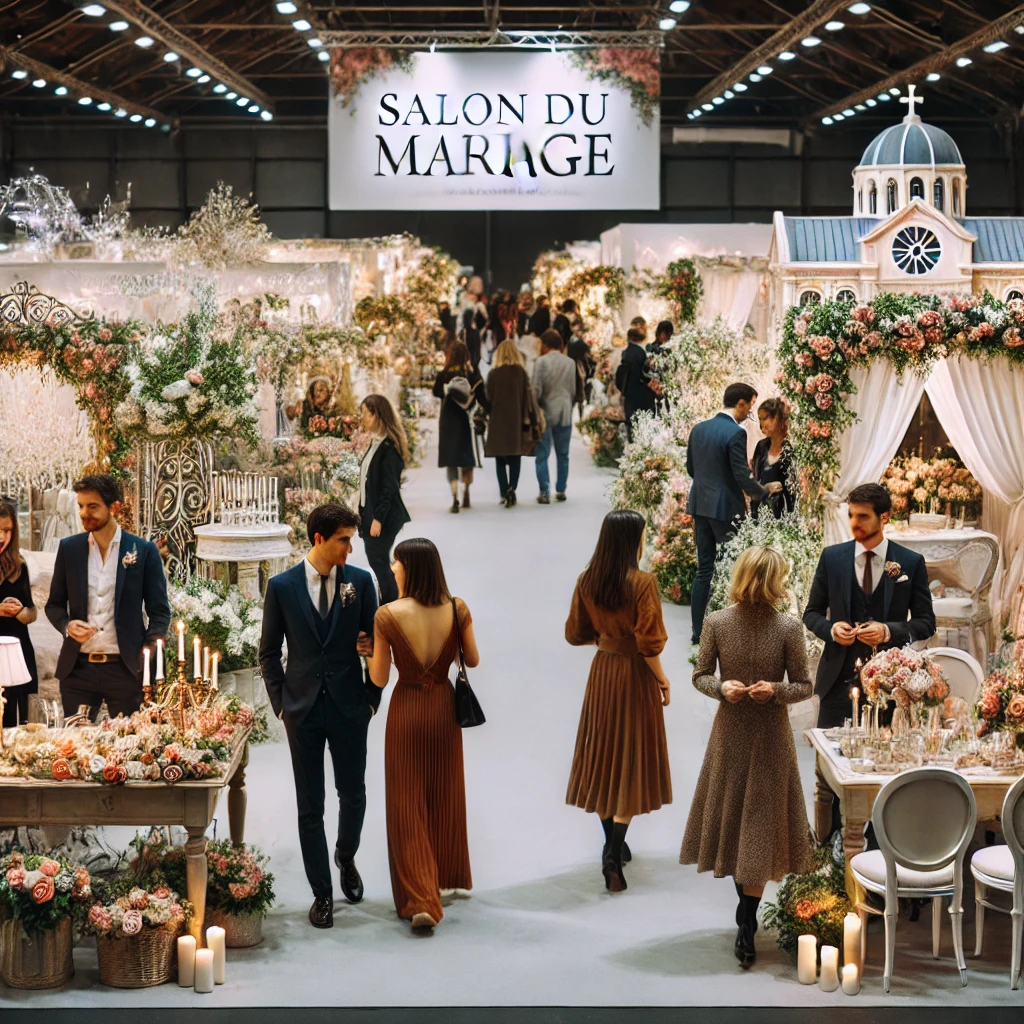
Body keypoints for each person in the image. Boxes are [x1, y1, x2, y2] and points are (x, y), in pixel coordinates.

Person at [681, 546, 813, 968]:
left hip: (760, 733)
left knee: (749, 820)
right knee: (745, 818)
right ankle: (747, 916)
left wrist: (771, 690)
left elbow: (803, 686)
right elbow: (702, 675)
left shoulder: (783, 627)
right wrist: (724, 688)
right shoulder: (727, 623)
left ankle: (746, 918)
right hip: (744, 732)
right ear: (772, 581)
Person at [259, 502, 379, 929]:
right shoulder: (283, 587)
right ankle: (322, 893)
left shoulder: (362, 583)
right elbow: (268, 653)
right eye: (345, 539)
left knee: (354, 795)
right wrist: (280, 704)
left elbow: (375, 646)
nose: (351, 547)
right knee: (310, 807)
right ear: (319, 539)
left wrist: (371, 698)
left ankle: (345, 856)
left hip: (350, 707)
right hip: (302, 711)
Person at [368, 538, 479, 933]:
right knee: (442, 792)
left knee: (406, 802)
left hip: (407, 709)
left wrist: (367, 654)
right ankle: (444, 874)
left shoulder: (386, 616)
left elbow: (379, 678)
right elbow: (474, 659)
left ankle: (421, 899)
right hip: (444, 709)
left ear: (409, 568)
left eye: (396, 564)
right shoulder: (457, 607)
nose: (393, 569)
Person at [565, 509, 672, 894]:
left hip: (603, 672)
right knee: (629, 759)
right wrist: (662, 680)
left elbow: (575, 632)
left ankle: (612, 844)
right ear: (634, 540)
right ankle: (613, 848)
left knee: (602, 755)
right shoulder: (642, 583)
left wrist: (606, 638)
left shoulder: (587, 580)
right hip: (634, 675)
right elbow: (649, 642)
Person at [804, 482, 935, 731]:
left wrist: (888, 631)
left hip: (892, 684)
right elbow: (811, 614)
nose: (855, 523)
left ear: (884, 517)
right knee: (829, 762)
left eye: (863, 516)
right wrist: (832, 630)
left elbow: (926, 623)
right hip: (837, 681)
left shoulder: (910, 562)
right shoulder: (831, 558)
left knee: (885, 761)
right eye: (852, 515)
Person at [45, 475, 169, 721]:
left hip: (125, 670)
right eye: (80, 506)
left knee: (128, 750)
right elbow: (54, 605)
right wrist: (67, 626)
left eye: (92, 506)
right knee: (75, 749)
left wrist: (146, 655)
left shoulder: (143, 551)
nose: (83, 513)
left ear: (114, 507)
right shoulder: (69, 549)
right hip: (78, 670)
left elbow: (160, 612)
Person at [686, 383, 778, 646]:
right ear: (740, 403)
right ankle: (728, 631)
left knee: (704, 569)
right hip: (726, 509)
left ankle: (697, 632)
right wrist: (763, 492)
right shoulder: (735, 433)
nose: (751, 410)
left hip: (700, 506)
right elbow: (741, 475)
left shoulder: (699, 428)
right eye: (750, 404)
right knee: (732, 569)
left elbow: (691, 468)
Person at [357, 395, 411, 605]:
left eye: (365, 414)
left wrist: (378, 518)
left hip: (384, 516)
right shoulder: (376, 443)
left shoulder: (389, 449)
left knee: (378, 561)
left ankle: (392, 607)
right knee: (378, 561)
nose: (362, 418)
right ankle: (392, 605)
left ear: (376, 415)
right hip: (372, 512)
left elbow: (389, 489)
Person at [482, 340, 534, 507]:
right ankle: (513, 488)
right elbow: (527, 397)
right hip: (516, 420)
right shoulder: (521, 372)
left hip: (497, 421)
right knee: (514, 457)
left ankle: (504, 491)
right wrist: (527, 417)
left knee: (500, 459)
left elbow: (487, 398)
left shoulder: (493, 374)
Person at [433, 342, 483, 514]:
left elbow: (436, 392)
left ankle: (454, 496)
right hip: (466, 420)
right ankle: (467, 491)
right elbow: (480, 391)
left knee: (451, 460)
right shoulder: (470, 374)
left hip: (448, 421)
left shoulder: (444, 374)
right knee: (466, 458)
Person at [0, 501, 38, 726]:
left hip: (17, 651)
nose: (2, 536)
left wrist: (20, 611)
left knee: (17, 725)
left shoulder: (18, 565)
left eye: (7, 530)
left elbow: (32, 612)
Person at [532, 328, 577, 505]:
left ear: (544, 344)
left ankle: (544, 491)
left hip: (545, 411)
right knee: (563, 453)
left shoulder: (541, 362)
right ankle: (561, 489)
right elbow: (572, 389)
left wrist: (536, 407)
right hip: (565, 410)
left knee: (542, 453)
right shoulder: (570, 363)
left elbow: (536, 388)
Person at [750, 398, 796, 520]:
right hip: (760, 514)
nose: (762, 424)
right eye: (760, 419)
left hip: (784, 515)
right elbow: (756, 479)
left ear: (780, 418)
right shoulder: (761, 446)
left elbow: (795, 488)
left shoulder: (791, 448)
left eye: (766, 418)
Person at [616, 327, 658, 443]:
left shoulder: (627, 352)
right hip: (640, 395)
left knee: (631, 423)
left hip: (630, 394)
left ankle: (632, 445)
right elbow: (643, 374)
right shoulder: (639, 353)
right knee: (641, 424)